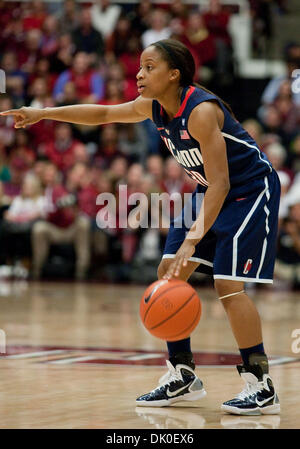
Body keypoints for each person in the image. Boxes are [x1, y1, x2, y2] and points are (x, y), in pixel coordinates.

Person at [0, 39, 281, 415]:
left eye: (149, 67)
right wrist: (44, 113)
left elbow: (222, 184)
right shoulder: (152, 106)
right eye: (139, 67)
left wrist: (193, 239)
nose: (139, 74)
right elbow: (102, 116)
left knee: (227, 286)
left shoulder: (201, 111)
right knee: (169, 274)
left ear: (174, 74)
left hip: (248, 190)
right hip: (209, 189)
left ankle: (260, 382)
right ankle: (182, 374)